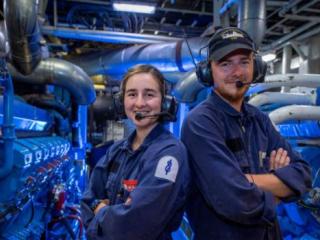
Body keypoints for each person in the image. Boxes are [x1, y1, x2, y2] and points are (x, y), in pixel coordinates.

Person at [181, 27, 312, 240]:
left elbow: (303, 174)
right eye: (225, 64)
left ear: (256, 67)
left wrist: (247, 181)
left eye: (244, 61)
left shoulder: (259, 119)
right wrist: (278, 187)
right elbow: (235, 201)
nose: (237, 72)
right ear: (208, 72)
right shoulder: (200, 123)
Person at [81, 64, 189, 240]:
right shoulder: (116, 150)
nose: (139, 103)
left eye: (149, 94)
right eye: (132, 94)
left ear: (164, 102)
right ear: (121, 102)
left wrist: (101, 210)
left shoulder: (170, 153)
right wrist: (115, 214)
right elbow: (87, 200)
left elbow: (137, 224)